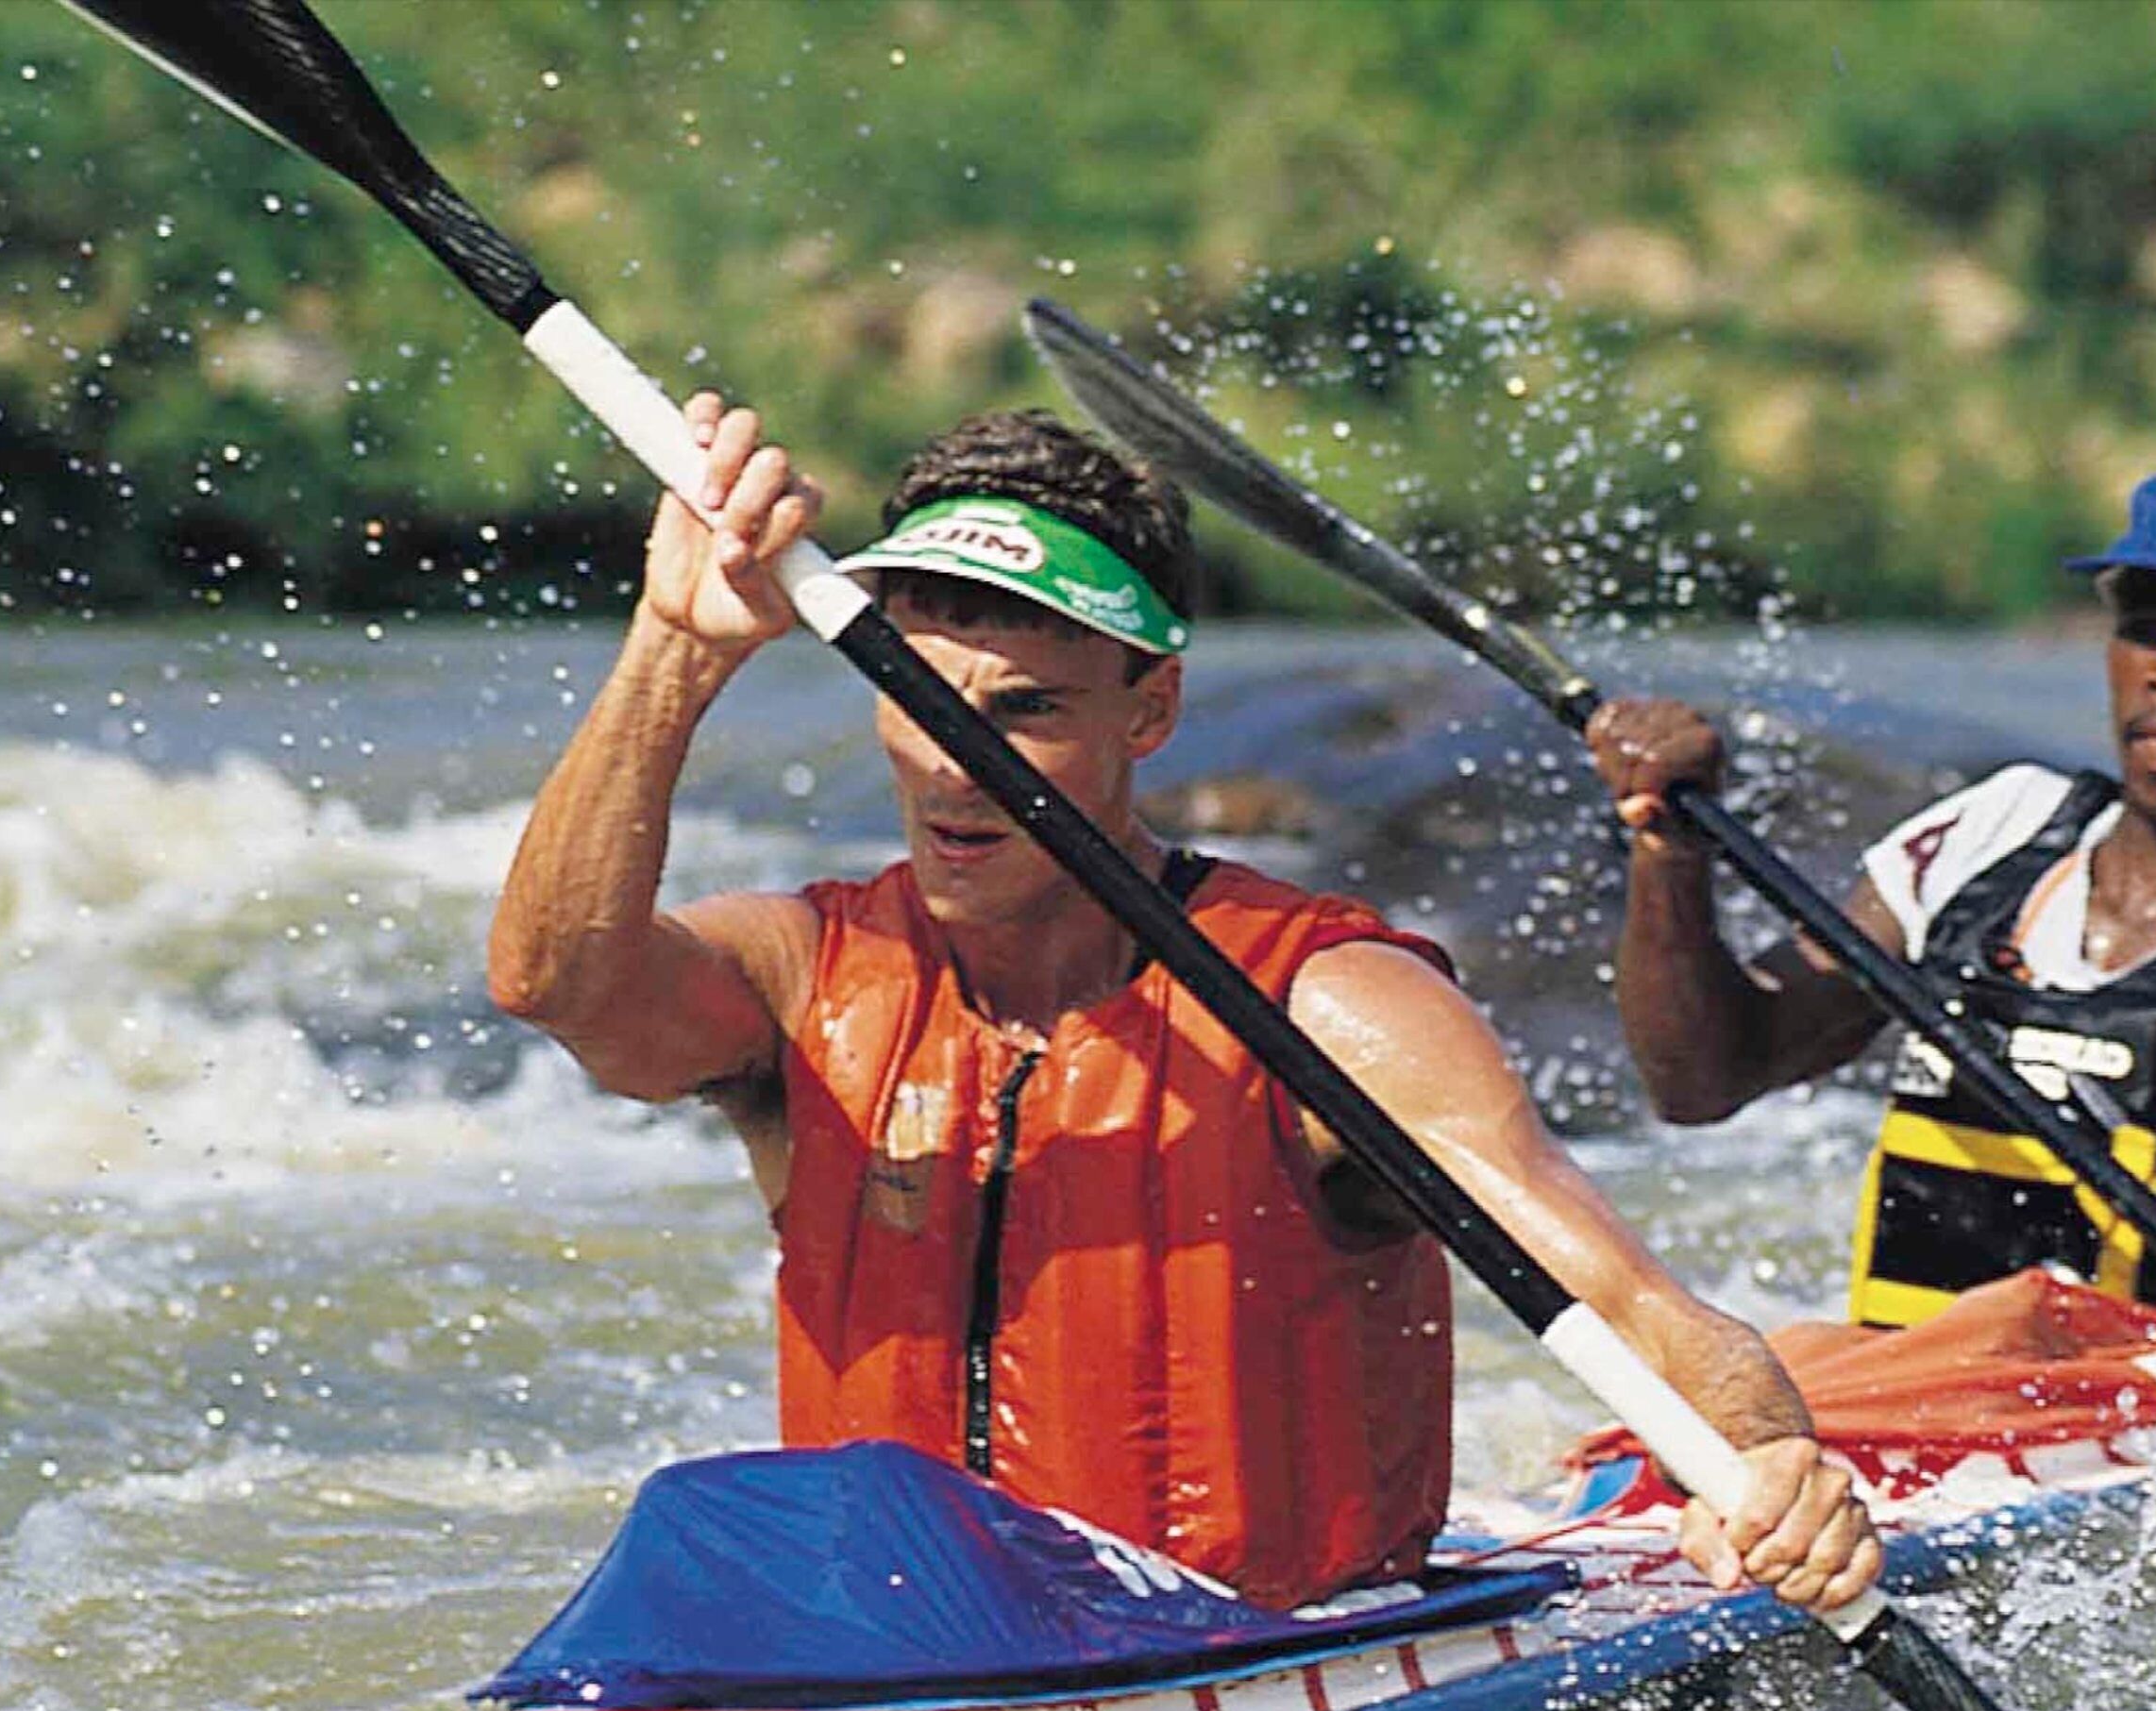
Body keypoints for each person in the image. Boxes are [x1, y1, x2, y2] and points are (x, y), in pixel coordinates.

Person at [489, 396, 1878, 1615]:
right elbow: (555, 982)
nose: (955, 767)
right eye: (915, 694)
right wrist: (675, 650)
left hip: (1250, 1658)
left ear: (1149, 713)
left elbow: (1636, 1308)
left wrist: (1770, 1465)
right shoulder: (806, 973)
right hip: (888, 1656)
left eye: (1027, 709)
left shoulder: (1330, 1004)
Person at [1582, 465, 2156, 1367]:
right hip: (1911, 1391)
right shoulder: (1988, 834)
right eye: (2149, 632)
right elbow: (1703, 1083)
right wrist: (1668, 852)